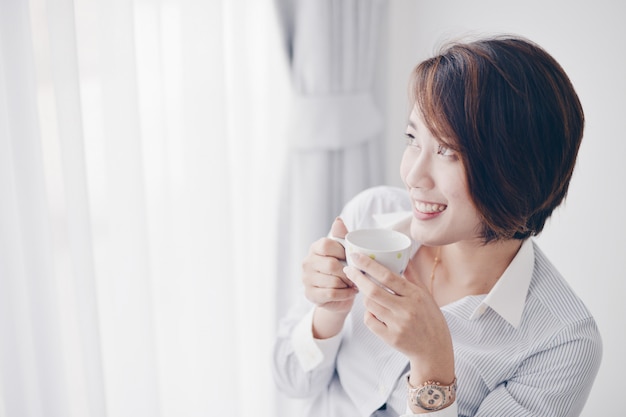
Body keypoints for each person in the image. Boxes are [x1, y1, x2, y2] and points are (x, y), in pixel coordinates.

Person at [272, 35, 602, 417]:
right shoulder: (369, 217)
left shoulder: (563, 341)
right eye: (413, 139)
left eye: (447, 151)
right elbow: (290, 379)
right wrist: (329, 311)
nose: (412, 174)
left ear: (515, 172)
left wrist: (434, 367)